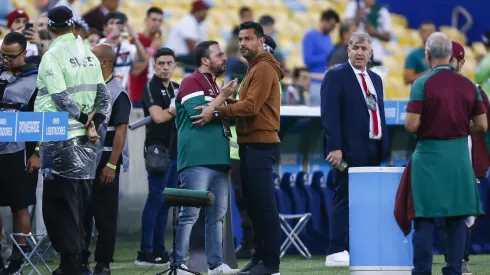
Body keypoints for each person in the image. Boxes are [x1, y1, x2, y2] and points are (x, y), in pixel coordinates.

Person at [191, 21, 285, 275]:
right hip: (251, 143)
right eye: (240, 39)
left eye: (248, 39)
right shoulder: (256, 68)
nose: (242, 43)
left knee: (264, 206)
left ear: (261, 41)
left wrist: (216, 109)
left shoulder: (263, 68)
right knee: (254, 206)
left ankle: (271, 264)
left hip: (261, 143)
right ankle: (260, 257)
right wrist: (222, 100)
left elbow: (251, 107)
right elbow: (248, 104)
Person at [395, 32, 486, 275]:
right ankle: (454, 270)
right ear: (451, 55)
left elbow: (412, 125)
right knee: (456, 218)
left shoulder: (421, 84)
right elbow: (482, 125)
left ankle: (423, 271)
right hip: (457, 157)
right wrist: (460, 127)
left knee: (423, 217)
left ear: (427, 55)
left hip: (428, 155)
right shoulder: (469, 86)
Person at [34, 6, 111, 274]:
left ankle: (70, 265)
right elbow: (105, 97)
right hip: (87, 142)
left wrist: (83, 119)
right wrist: (96, 123)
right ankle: (77, 263)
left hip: (58, 136)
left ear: (49, 26)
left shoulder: (52, 55)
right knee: (80, 202)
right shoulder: (88, 55)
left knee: (58, 205)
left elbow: (59, 97)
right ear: (73, 26)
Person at [321, 31, 390, 267]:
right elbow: (329, 115)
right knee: (344, 197)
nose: (360, 52)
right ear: (348, 50)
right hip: (346, 151)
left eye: (364, 48)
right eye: (355, 48)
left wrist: (384, 148)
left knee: (366, 201)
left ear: (371, 53)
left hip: (372, 149)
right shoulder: (336, 75)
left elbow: (377, 113)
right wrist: (335, 148)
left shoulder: (376, 78)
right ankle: (335, 249)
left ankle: (358, 246)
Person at [170, 40, 239, 275]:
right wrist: (223, 98)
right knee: (189, 214)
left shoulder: (214, 86)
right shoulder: (191, 81)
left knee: (217, 216)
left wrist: (224, 99)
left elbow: (224, 115)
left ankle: (216, 265)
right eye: (219, 55)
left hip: (220, 157)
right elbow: (197, 116)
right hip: (196, 158)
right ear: (205, 60)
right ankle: (178, 265)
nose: (223, 58)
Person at [81, 43, 131, 275]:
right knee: (82, 213)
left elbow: (120, 131)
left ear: (104, 62)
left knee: (105, 216)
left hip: (105, 160)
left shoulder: (117, 92)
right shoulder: (86, 87)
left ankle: (103, 264)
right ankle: (80, 261)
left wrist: (112, 164)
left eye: (91, 57)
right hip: (83, 159)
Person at [230, 34, 279, 260]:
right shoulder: (252, 73)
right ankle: (257, 251)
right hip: (241, 145)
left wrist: (219, 108)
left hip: (251, 144)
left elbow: (249, 107)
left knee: (258, 202)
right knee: (249, 201)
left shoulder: (262, 73)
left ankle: (264, 255)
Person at [0, 32, 40, 274]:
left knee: (19, 204)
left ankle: (18, 259)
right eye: (2, 54)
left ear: (24, 53)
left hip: (20, 150)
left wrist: (37, 152)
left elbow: (43, 119)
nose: (5, 59)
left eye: (11, 56)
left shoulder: (36, 79)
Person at [136, 48, 180, 266]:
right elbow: (158, 116)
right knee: (156, 199)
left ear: (174, 65)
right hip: (157, 149)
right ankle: (145, 251)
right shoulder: (150, 86)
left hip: (175, 150)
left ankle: (160, 249)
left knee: (166, 202)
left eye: (168, 63)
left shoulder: (177, 87)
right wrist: (175, 107)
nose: (164, 67)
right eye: (160, 63)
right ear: (154, 66)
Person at [99, 11, 148, 90]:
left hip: (122, 95)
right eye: (112, 23)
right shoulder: (101, 43)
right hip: (103, 95)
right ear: (105, 27)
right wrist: (111, 36)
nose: (116, 26)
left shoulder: (127, 46)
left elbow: (143, 58)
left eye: (118, 23)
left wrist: (134, 37)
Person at [302, 9, 340, 106]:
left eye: (334, 26)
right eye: (332, 25)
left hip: (330, 82)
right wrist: (328, 58)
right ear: (324, 21)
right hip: (316, 83)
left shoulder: (328, 37)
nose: (333, 28)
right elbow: (308, 60)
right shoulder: (310, 36)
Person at [128, 7, 164, 105]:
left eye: (160, 21)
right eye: (154, 20)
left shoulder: (159, 43)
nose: (157, 23)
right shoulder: (135, 41)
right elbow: (136, 71)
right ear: (145, 21)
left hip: (155, 96)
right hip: (138, 96)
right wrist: (151, 50)